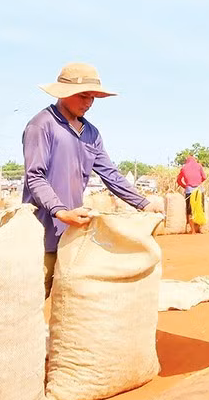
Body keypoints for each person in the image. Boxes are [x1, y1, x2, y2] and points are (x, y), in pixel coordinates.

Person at [22, 62, 164, 298]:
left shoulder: (91, 133)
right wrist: (60, 211)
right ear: (64, 93)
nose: (89, 103)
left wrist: (144, 203)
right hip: (42, 229)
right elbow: (35, 177)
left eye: (93, 98)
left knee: (71, 299)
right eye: (83, 96)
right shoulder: (42, 125)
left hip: (73, 231)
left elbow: (110, 174)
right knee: (33, 295)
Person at [176, 155, 207, 233]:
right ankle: (200, 229)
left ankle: (193, 230)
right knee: (200, 209)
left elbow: (178, 180)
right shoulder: (199, 166)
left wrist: (185, 186)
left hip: (189, 190)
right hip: (199, 190)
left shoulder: (184, 168)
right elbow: (204, 177)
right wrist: (199, 183)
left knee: (190, 211)